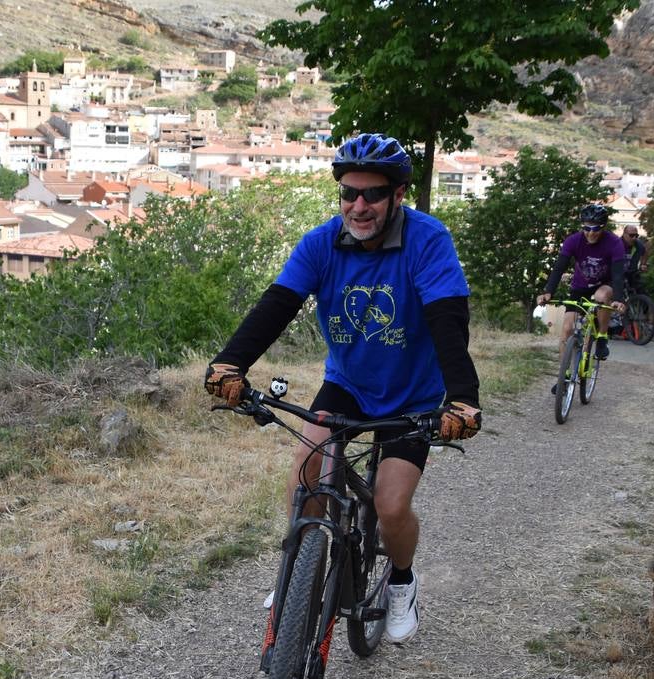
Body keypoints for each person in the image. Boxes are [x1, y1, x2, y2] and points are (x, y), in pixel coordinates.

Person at [203, 133, 481, 644]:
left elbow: (448, 322)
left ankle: (400, 582)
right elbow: (276, 306)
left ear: (398, 195)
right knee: (308, 467)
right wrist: (230, 363)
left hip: (415, 396)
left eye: (373, 194)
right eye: (348, 193)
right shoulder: (321, 243)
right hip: (348, 383)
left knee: (390, 504)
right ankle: (295, 572)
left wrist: (462, 396)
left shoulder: (427, 240)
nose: (359, 205)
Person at [535, 203, 627, 362]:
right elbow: (559, 268)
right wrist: (548, 291)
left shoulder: (614, 243)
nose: (591, 233)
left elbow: (618, 274)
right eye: (587, 228)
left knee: (601, 295)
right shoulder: (573, 241)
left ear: (603, 227)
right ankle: (564, 378)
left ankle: (602, 337)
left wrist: (618, 299)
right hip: (580, 286)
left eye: (596, 229)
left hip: (604, 283)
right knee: (567, 329)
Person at [620, 224, 649, 295]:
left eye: (636, 236)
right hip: (618, 274)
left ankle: (644, 304)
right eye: (631, 235)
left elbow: (645, 252)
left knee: (642, 291)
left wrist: (643, 264)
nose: (634, 238)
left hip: (632, 273)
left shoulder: (638, 245)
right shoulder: (616, 244)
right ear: (624, 234)